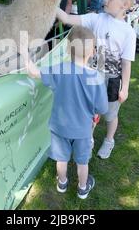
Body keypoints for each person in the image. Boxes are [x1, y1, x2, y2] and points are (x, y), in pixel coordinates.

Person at [21, 26, 108, 199]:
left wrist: (24, 52)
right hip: (83, 130)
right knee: (82, 162)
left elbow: (33, 72)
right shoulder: (96, 77)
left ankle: (62, 183)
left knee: (61, 159)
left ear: (68, 49)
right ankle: (83, 188)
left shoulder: (59, 69)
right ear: (92, 52)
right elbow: (103, 108)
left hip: (59, 126)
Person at [56, 0, 137, 159]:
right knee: (90, 111)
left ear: (125, 5)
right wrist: (50, 4)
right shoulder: (96, 18)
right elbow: (67, 19)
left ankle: (109, 140)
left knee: (110, 114)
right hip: (92, 77)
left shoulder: (128, 32)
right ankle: (88, 138)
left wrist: (125, 88)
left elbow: (126, 63)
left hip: (112, 81)